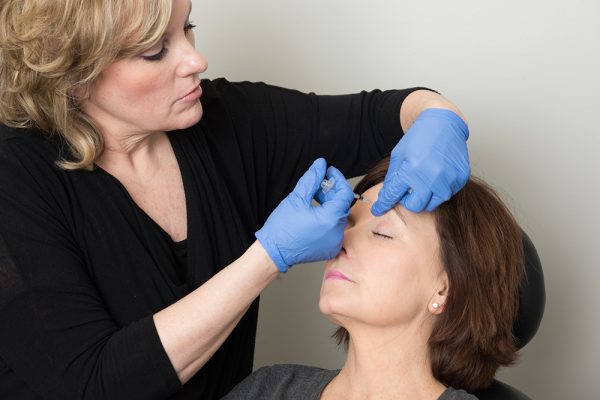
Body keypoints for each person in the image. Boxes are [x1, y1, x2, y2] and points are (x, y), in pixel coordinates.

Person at [0, 1, 470, 399]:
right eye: (155, 51)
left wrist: (438, 115)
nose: (195, 60)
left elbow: (380, 116)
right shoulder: (16, 177)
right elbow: (91, 383)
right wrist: (269, 256)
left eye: (186, 27)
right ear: (75, 76)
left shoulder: (226, 121)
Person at [223, 156, 524, 400]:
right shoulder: (271, 389)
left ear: (444, 289)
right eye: (347, 224)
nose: (340, 241)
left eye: (383, 233)